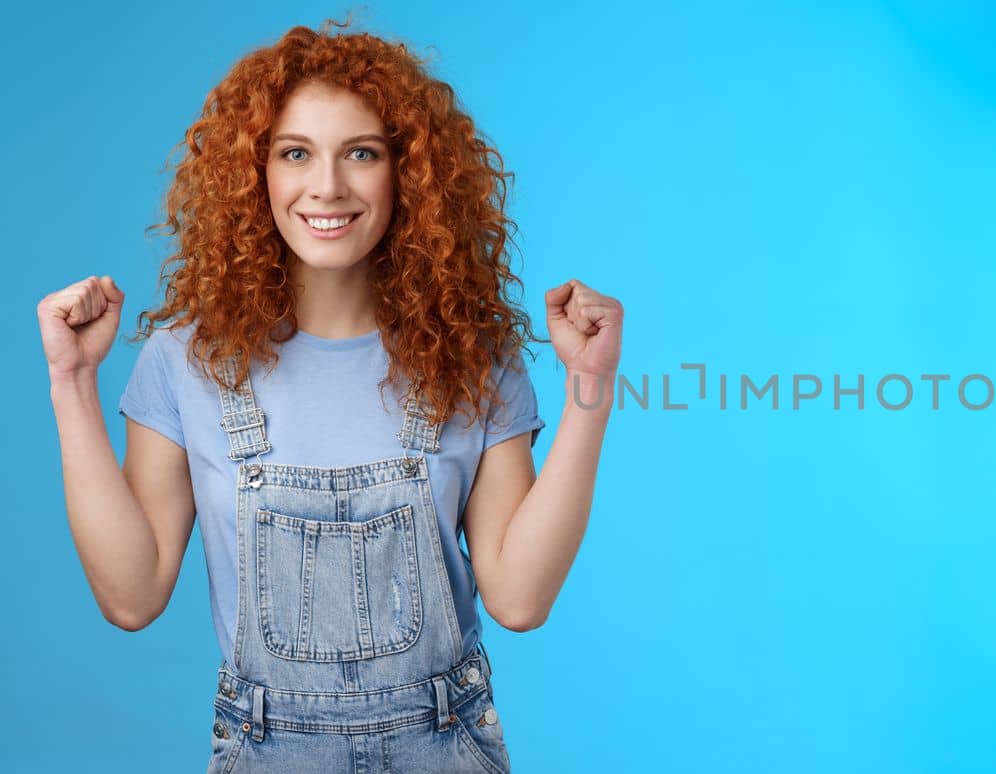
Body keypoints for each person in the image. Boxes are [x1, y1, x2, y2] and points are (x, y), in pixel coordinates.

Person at [35, 19, 621, 773]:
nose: (328, 187)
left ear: (407, 175)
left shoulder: (471, 360)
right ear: (257, 175)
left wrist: (590, 389)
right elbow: (131, 596)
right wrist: (73, 382)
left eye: (362, 154)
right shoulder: (189, 361)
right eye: (295, 153)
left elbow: (520, 600)